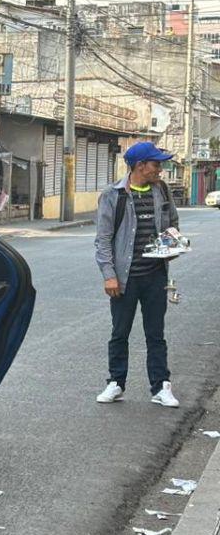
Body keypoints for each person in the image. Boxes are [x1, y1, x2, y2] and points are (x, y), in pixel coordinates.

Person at [94, 141, 180, 408]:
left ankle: (160, 387)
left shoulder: (162, 191)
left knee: (156, 334)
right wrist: (109, 275)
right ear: (140, 166)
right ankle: (116, 383)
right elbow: (103, 240)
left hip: (155, 275)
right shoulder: (113, 195)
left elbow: (173, 224)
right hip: (124, 279)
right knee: (120, 332)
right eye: (156, 165)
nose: (160, 170)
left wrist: (173, 245)